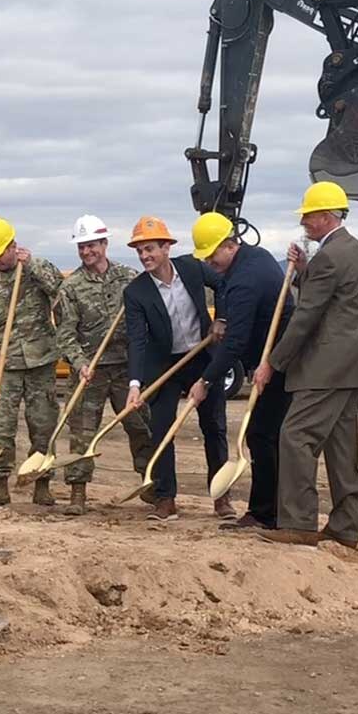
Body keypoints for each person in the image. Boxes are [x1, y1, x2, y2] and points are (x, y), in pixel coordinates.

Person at [257, 182, 358, 548]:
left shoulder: (330, 256)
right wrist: (304, 268)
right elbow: (329, 294)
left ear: (325, 216)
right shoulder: (354, 250)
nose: (304, 223)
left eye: (308, 216)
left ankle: (298, 523)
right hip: (351, 366)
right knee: (341, 446)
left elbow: (306, 316)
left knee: (295, 437)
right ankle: (345, 526)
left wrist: (273, 363)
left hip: (324, 368)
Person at [121, 215, 227, 523]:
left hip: (202, 357)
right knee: (162, 428)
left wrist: (222, 318)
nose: (144, 257)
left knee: (214, 426)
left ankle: (221, 496)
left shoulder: (193, 268)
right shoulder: (136, 292)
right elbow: (137, 341)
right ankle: (165, 499)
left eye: (150, 249)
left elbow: (222, 284)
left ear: (167, 247)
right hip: (165, 363)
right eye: (140, 251)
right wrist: (135, 384)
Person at [192, 210, 291, 531]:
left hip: (276, 363)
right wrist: (221, 315)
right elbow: (222, 287)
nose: (209, 263)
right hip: (274, 357)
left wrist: (206, 380)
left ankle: (266, 514)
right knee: (265, 435)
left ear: (229, 245)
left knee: (263, 436)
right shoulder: (256, 258)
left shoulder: (245, 281)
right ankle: (271, 510)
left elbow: (235, 342)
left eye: (211, 255)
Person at [54, 213, 153, 516]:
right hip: (90, 371)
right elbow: (65, 333)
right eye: (81, 247)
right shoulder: (71, 288)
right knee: (82, 431)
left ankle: (152, 485)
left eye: (92, 245)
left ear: (104, 243)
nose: (86, 252)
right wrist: (80, 362)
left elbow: (148, 317)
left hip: (127, 368)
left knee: (141, 426)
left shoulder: (130, 278)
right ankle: (78, 492)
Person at [0, 217, 65, 506]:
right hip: (6, 365)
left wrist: (32, 265)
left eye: (0, 253)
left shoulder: (38, 269)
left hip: (40, 361)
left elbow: (61, 293)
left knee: (43, 422)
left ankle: (42, 481)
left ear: (13, 246)